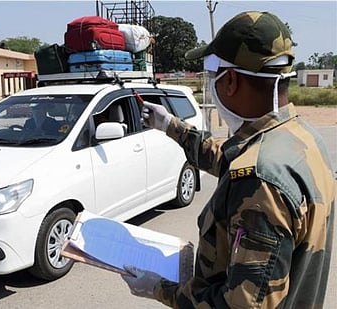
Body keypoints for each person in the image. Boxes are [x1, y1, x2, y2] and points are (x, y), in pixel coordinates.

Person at [120, 11, 335, 308]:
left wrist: (160, 288)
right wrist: (169, 124)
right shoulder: (301, 138)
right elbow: (228, 157)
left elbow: (241, 305)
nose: (212, 83)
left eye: (212, 75)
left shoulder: (261, 181)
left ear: (230, 80)